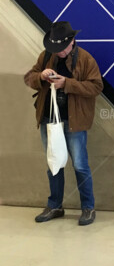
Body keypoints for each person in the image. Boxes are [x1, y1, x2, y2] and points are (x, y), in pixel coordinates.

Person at [24, 21, 103, 226]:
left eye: (62, 48)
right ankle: (55, 205)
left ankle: (88, 207)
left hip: (74, 121)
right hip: (48, 117)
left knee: (80, 165)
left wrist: (66, 84)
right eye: (55, 48)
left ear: (72, 41)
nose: (58, 52)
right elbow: (29, 77)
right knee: (53, 163)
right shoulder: (46, 56)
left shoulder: (85, 59)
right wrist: (40, 76)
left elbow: (96, 87)